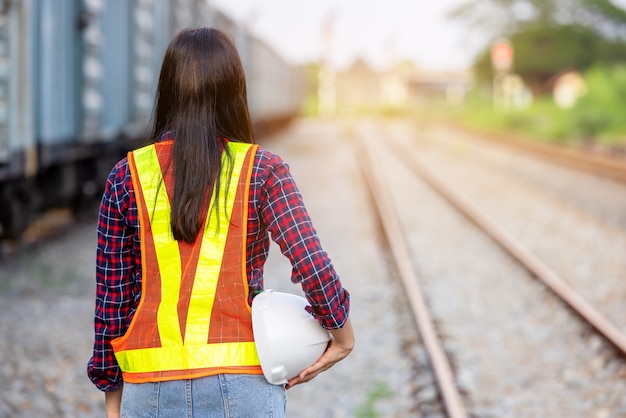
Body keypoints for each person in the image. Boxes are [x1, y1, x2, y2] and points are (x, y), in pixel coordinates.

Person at [87, 27, 354, 418]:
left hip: (149, 386)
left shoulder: (126, 176)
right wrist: (342, 336)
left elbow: (112, 299)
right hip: (243, 385)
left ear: (167, 89)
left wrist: (114, 401)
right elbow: (310, 261)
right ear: (234, 90)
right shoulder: (263, 170)